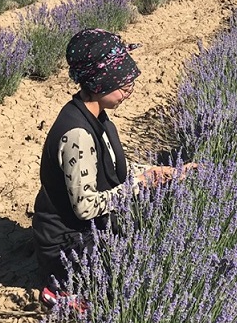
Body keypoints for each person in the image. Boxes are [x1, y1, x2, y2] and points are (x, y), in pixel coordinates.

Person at [32, 28, 185, 308]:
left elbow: (112, 166)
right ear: (100, 83)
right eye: (124, 86)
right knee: (127, 284)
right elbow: (86, 206)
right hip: (67, 245)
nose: (130, 92)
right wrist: (140, 182)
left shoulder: (97, 116)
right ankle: (60, 291)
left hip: (85, 229)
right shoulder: (77, 133)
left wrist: (164, 172)